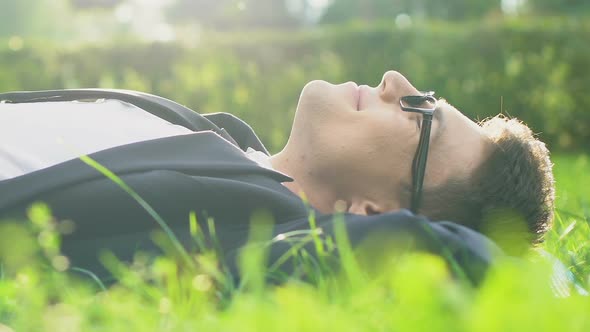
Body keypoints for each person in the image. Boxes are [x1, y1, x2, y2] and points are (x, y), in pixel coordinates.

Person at [0, 70, 554, 285]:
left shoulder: (257, 227)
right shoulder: (220, 137)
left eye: (420, 113)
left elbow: (452, 256)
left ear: (374, 212)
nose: (395, 80)